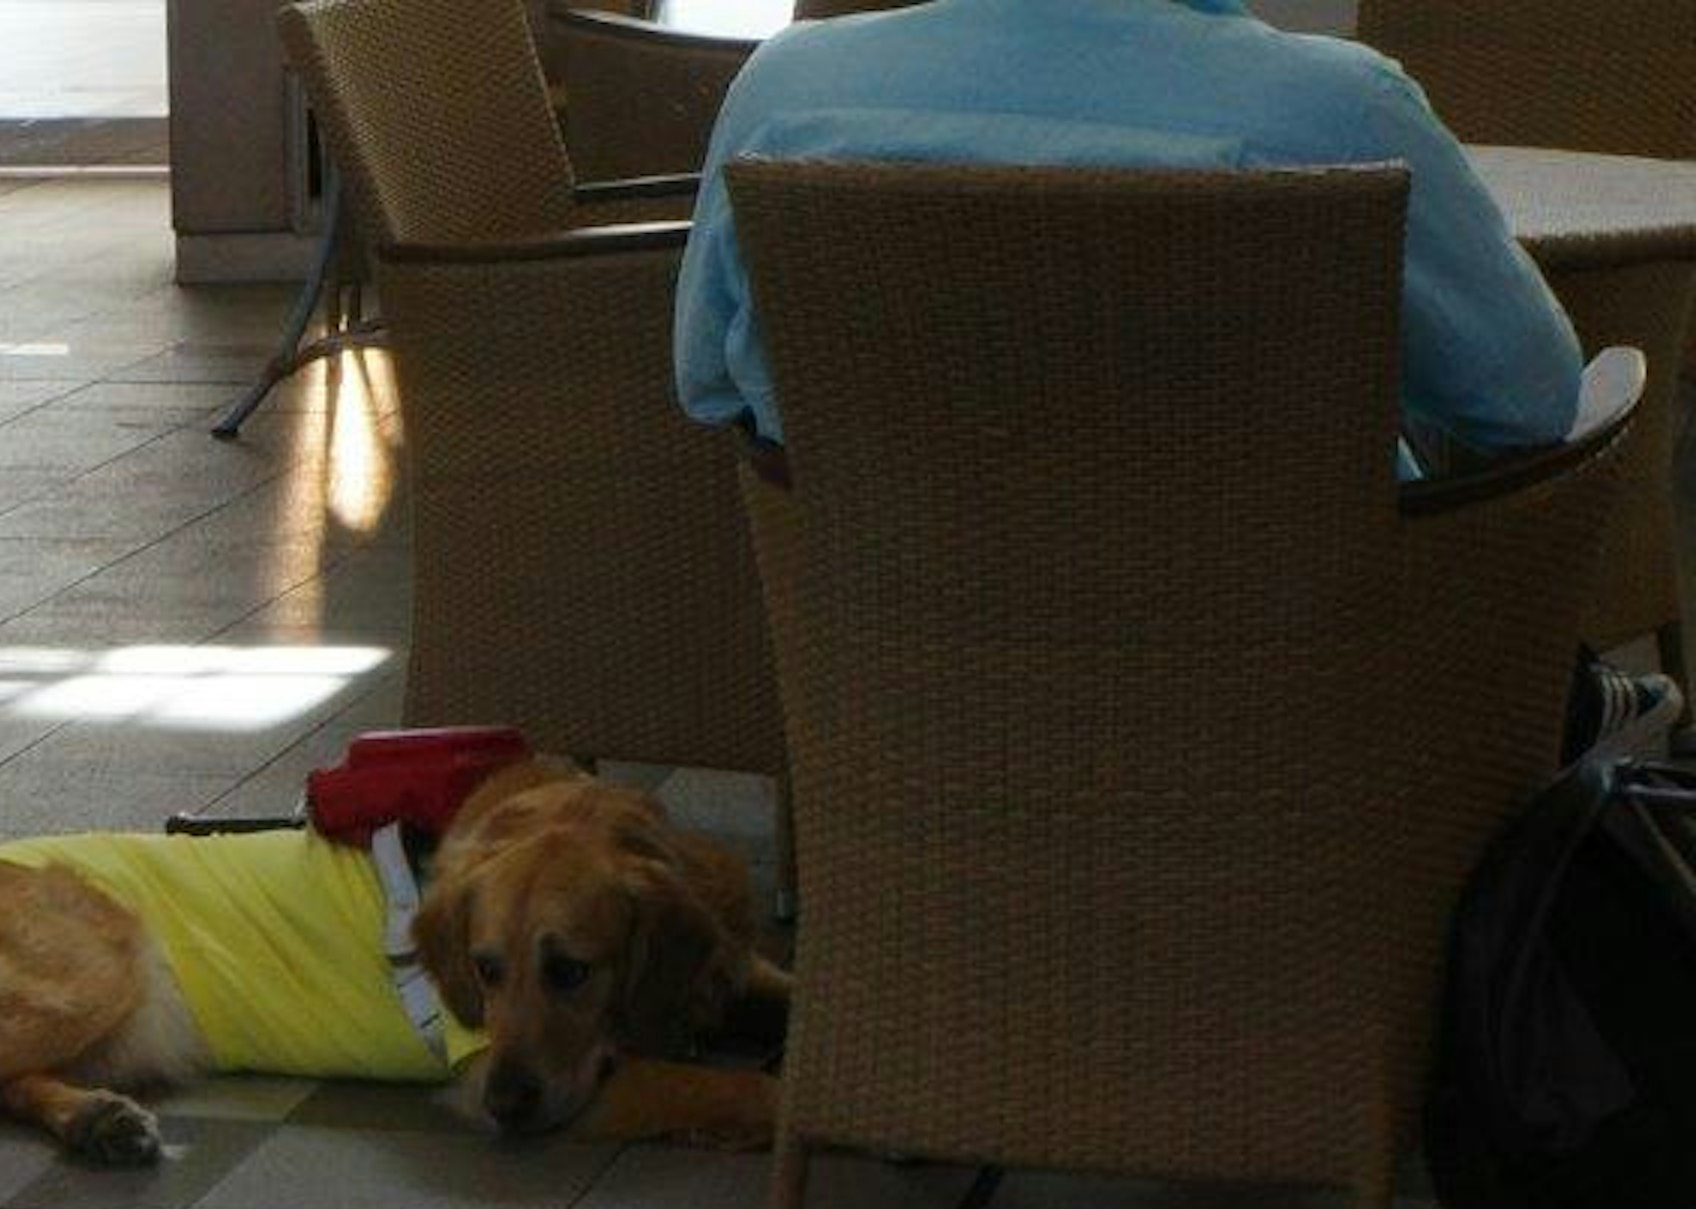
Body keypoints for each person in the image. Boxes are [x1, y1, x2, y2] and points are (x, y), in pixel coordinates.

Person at [670, 0, 1673, 751]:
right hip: (1300, 721)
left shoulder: (785, 93)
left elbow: (704, 382)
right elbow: (1533, 403)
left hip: (914, 712)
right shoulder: (1335, 110)